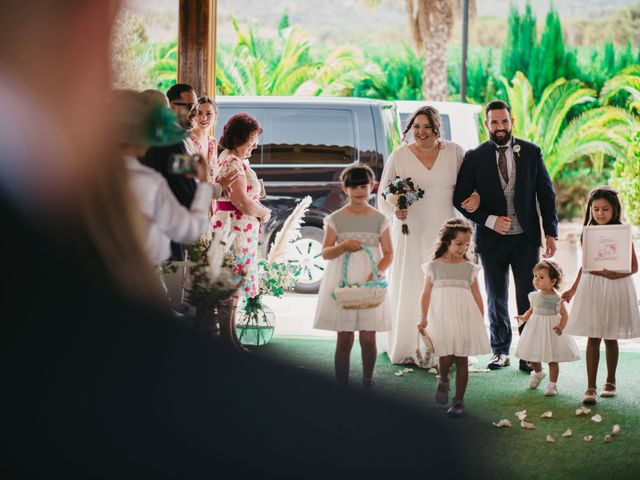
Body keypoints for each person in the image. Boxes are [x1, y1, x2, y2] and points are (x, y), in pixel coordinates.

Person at [453, 100, 558, 372]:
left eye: (505, 121)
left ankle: (527, 351)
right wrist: (489, 219)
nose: (500, 127)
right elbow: (459, 197)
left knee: (528, 295)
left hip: (525, 238)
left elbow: (546, 195)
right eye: (495, 122)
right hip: (491, 241)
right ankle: (500, 350)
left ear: (512, 122)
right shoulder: (474, 157)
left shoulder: (532, 152)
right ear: (486, 124)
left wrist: (551, 233)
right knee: (495, 295)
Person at [378, 105, 479, 367]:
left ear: (437, 128)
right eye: (416, 127)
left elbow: (471, 185)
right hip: (411, 230)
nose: (421, 132)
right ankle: (408, 346)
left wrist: (476, 197)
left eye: (427, 127)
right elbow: (383, 194)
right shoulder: (399, 155)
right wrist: (395, 209)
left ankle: (445, 347)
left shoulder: (454, 152)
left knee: (445, 289)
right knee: (411, 283)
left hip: (445, 230)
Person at [113, 90, 236, 265]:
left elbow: (178, 169)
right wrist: (213, 187)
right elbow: (185, 187)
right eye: (191, 106)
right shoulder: (168, 143)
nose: (194, 111)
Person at [314, 164, 393, 389]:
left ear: (372, 187)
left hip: (370, 278)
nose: (359, 191)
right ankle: (342, 386)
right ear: (344, 188)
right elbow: (326, 252)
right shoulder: (336, 219)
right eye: (354, 187)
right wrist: (344, 246)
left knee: (368, 337)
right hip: (343, 278)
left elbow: (388, 254)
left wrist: (374, 274)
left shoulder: (379, 218)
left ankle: (367, 381)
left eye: (364, 186)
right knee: (345, 338)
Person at [561, 186, 640, 404]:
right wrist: (572, 289)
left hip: (615, 286)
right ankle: (590, 387)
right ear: (590, 210)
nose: (600, 214)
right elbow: (584, 266)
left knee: (610, 335)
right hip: (592, 286)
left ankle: (611, 381)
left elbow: (634, 266)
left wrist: (616, 275)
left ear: (615, 209)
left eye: (605, 209)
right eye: (596, 209)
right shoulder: (588, 233)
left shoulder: (623, 233)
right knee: (593, 336)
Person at [211, 113, 272, 351]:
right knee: (229, 284)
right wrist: (263, 213)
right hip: (232, 228)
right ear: (239, 138)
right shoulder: (232, 162)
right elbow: (241, 201)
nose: (255, 145)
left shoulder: (235, 159)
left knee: (234, 285)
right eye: (252, 139)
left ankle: (232, 338)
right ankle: (227, 342)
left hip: (239, 227)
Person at [417, 219, 490, 417]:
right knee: (445, 357)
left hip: (465, 317)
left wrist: (479, 318)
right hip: (441, 317)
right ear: (447, 241)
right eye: (459, 243)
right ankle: (443, 379)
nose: (463, 248)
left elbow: (477, 295)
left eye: (467, 244)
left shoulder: (469, 267)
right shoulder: (434, 266)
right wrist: (423, 317)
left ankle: (459, 401)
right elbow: (425, 294)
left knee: (462, 358)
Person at [515, 261, 580, 396]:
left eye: (542, 277)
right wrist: (524, 317)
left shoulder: (557, 298)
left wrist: (561, 326)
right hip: (535, 328)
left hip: (551, 329)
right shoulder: (534, 296)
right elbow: (532, 309)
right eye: (535, 276)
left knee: (552, 358)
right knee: (533, 354)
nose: (536, 280)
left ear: (553, 281)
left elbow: (564, 314)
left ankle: (552, 385)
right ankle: (538, 373)